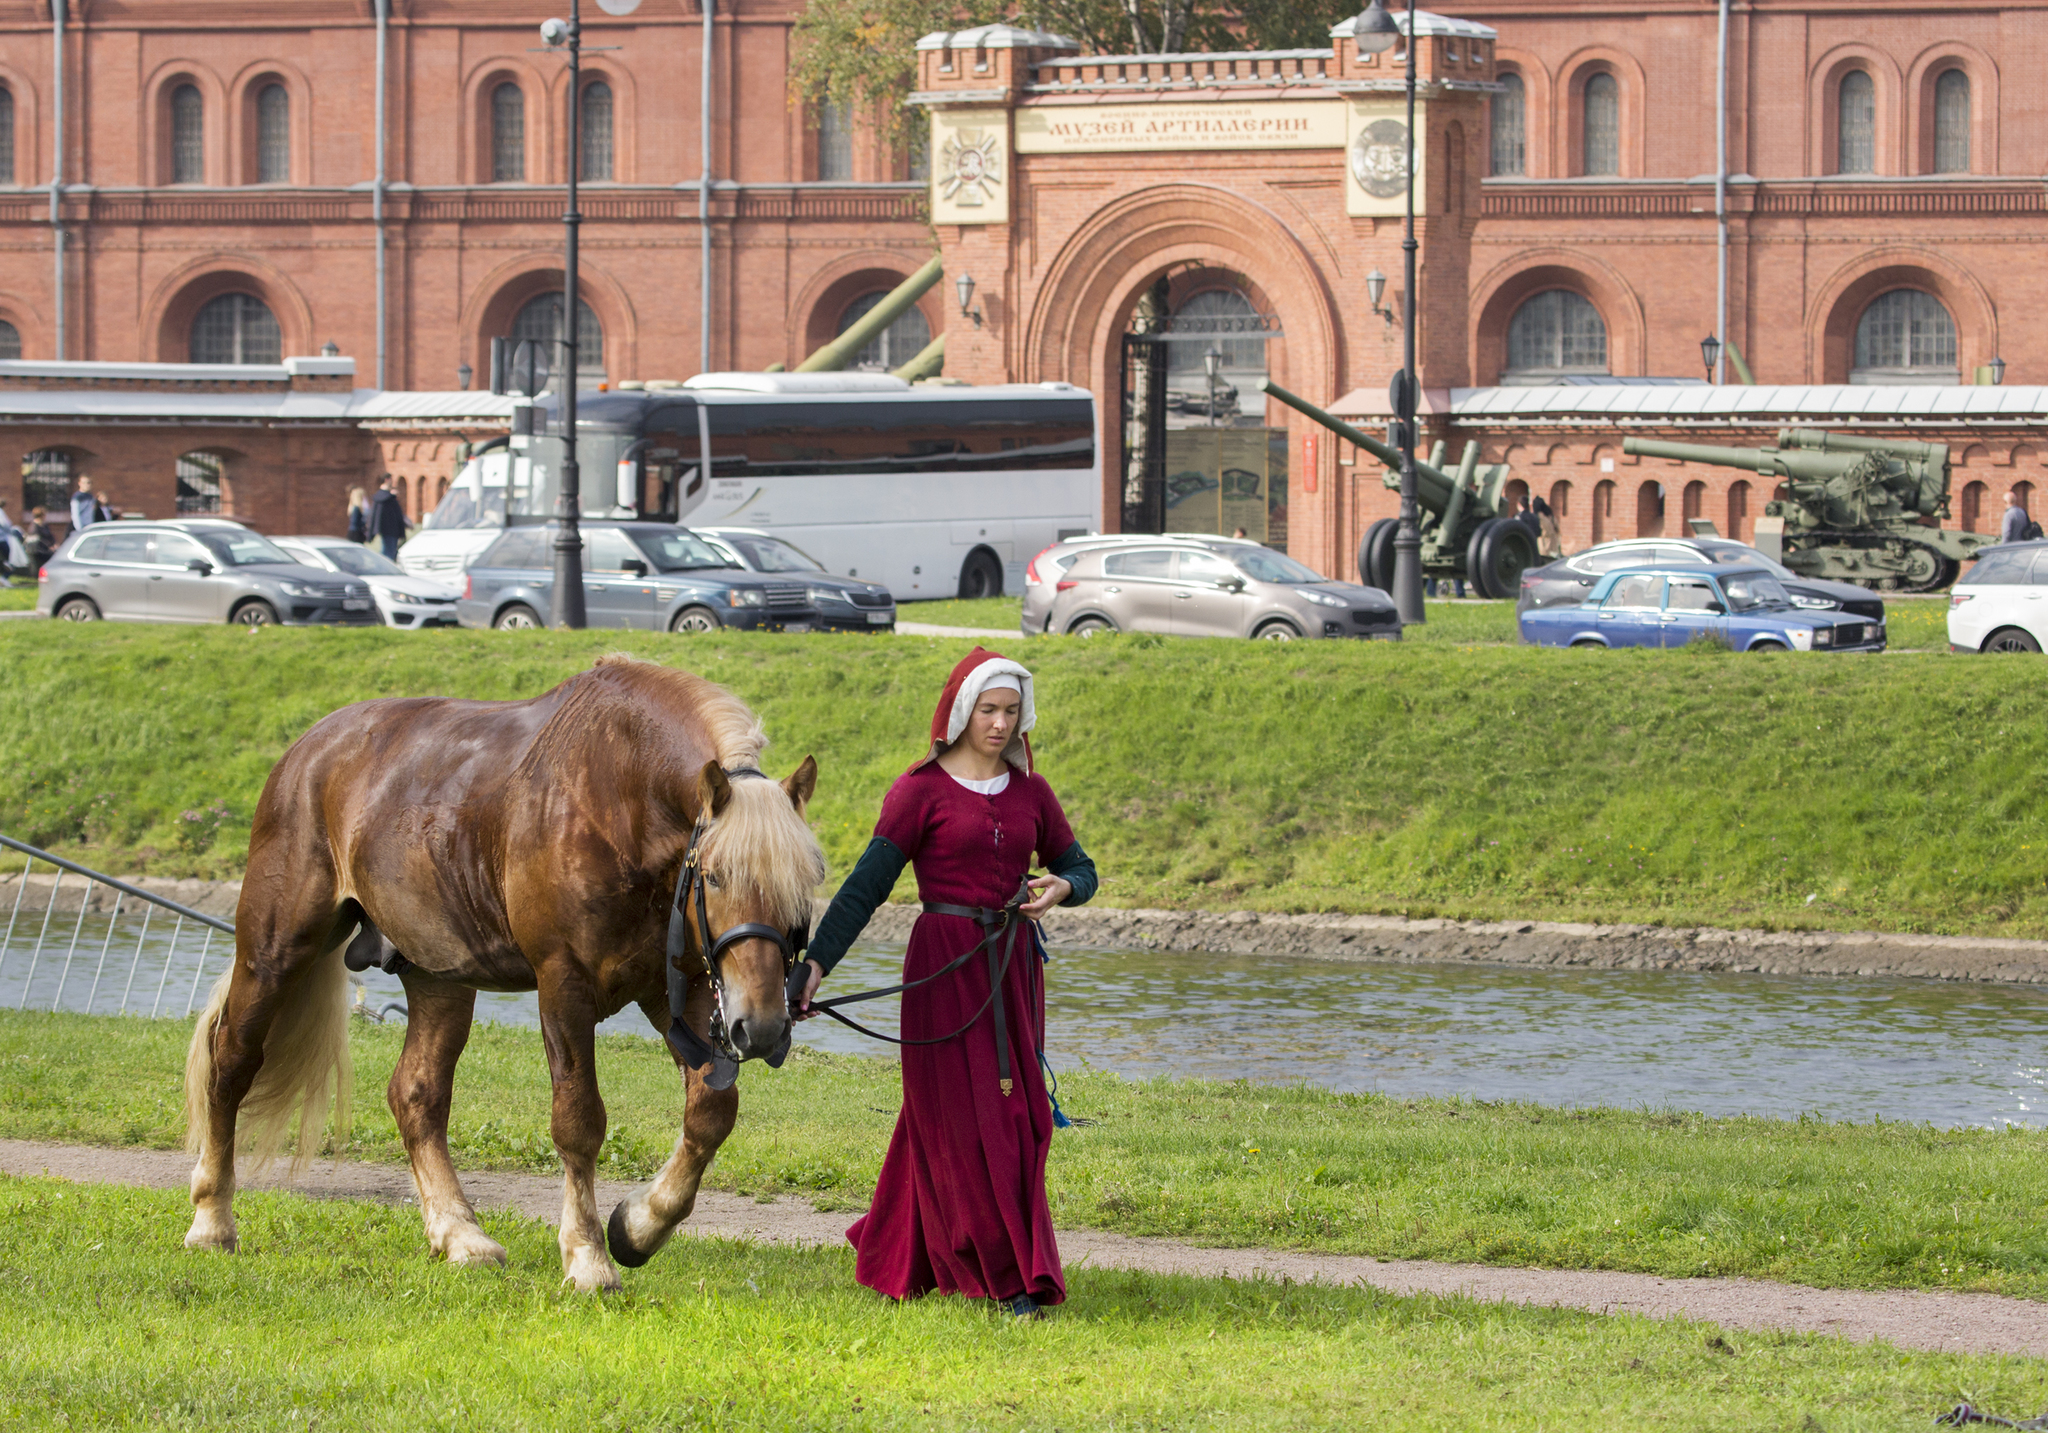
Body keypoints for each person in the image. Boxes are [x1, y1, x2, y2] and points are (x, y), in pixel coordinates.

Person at [795, 647, 1099, 1319]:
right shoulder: (919, 792)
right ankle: (1003, 1276)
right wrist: (814, 963)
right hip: (941, 969)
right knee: (957, 1121)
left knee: (1018, 1121)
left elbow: (1081, 866)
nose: (999, 723)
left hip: (1011, 971)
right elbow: (865, 888)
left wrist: (1063, 886)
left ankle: (921, 1248)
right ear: (962, 710)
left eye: (1011, 711)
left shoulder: (1032, 793)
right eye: (988, 709)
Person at [369, 477, 408, 560]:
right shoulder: (389, 499)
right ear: (387, 480)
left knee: (387, 551)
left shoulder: (381, 499)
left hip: (385, 529)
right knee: (388, 552)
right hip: (391, 529)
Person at [23, 507, 53, 572]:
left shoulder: (45, 525)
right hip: (37, 549)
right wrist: (49, 546)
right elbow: (38, 539)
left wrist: (53, 544)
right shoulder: (34, 526)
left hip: (45, 548)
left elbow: (50, 536)